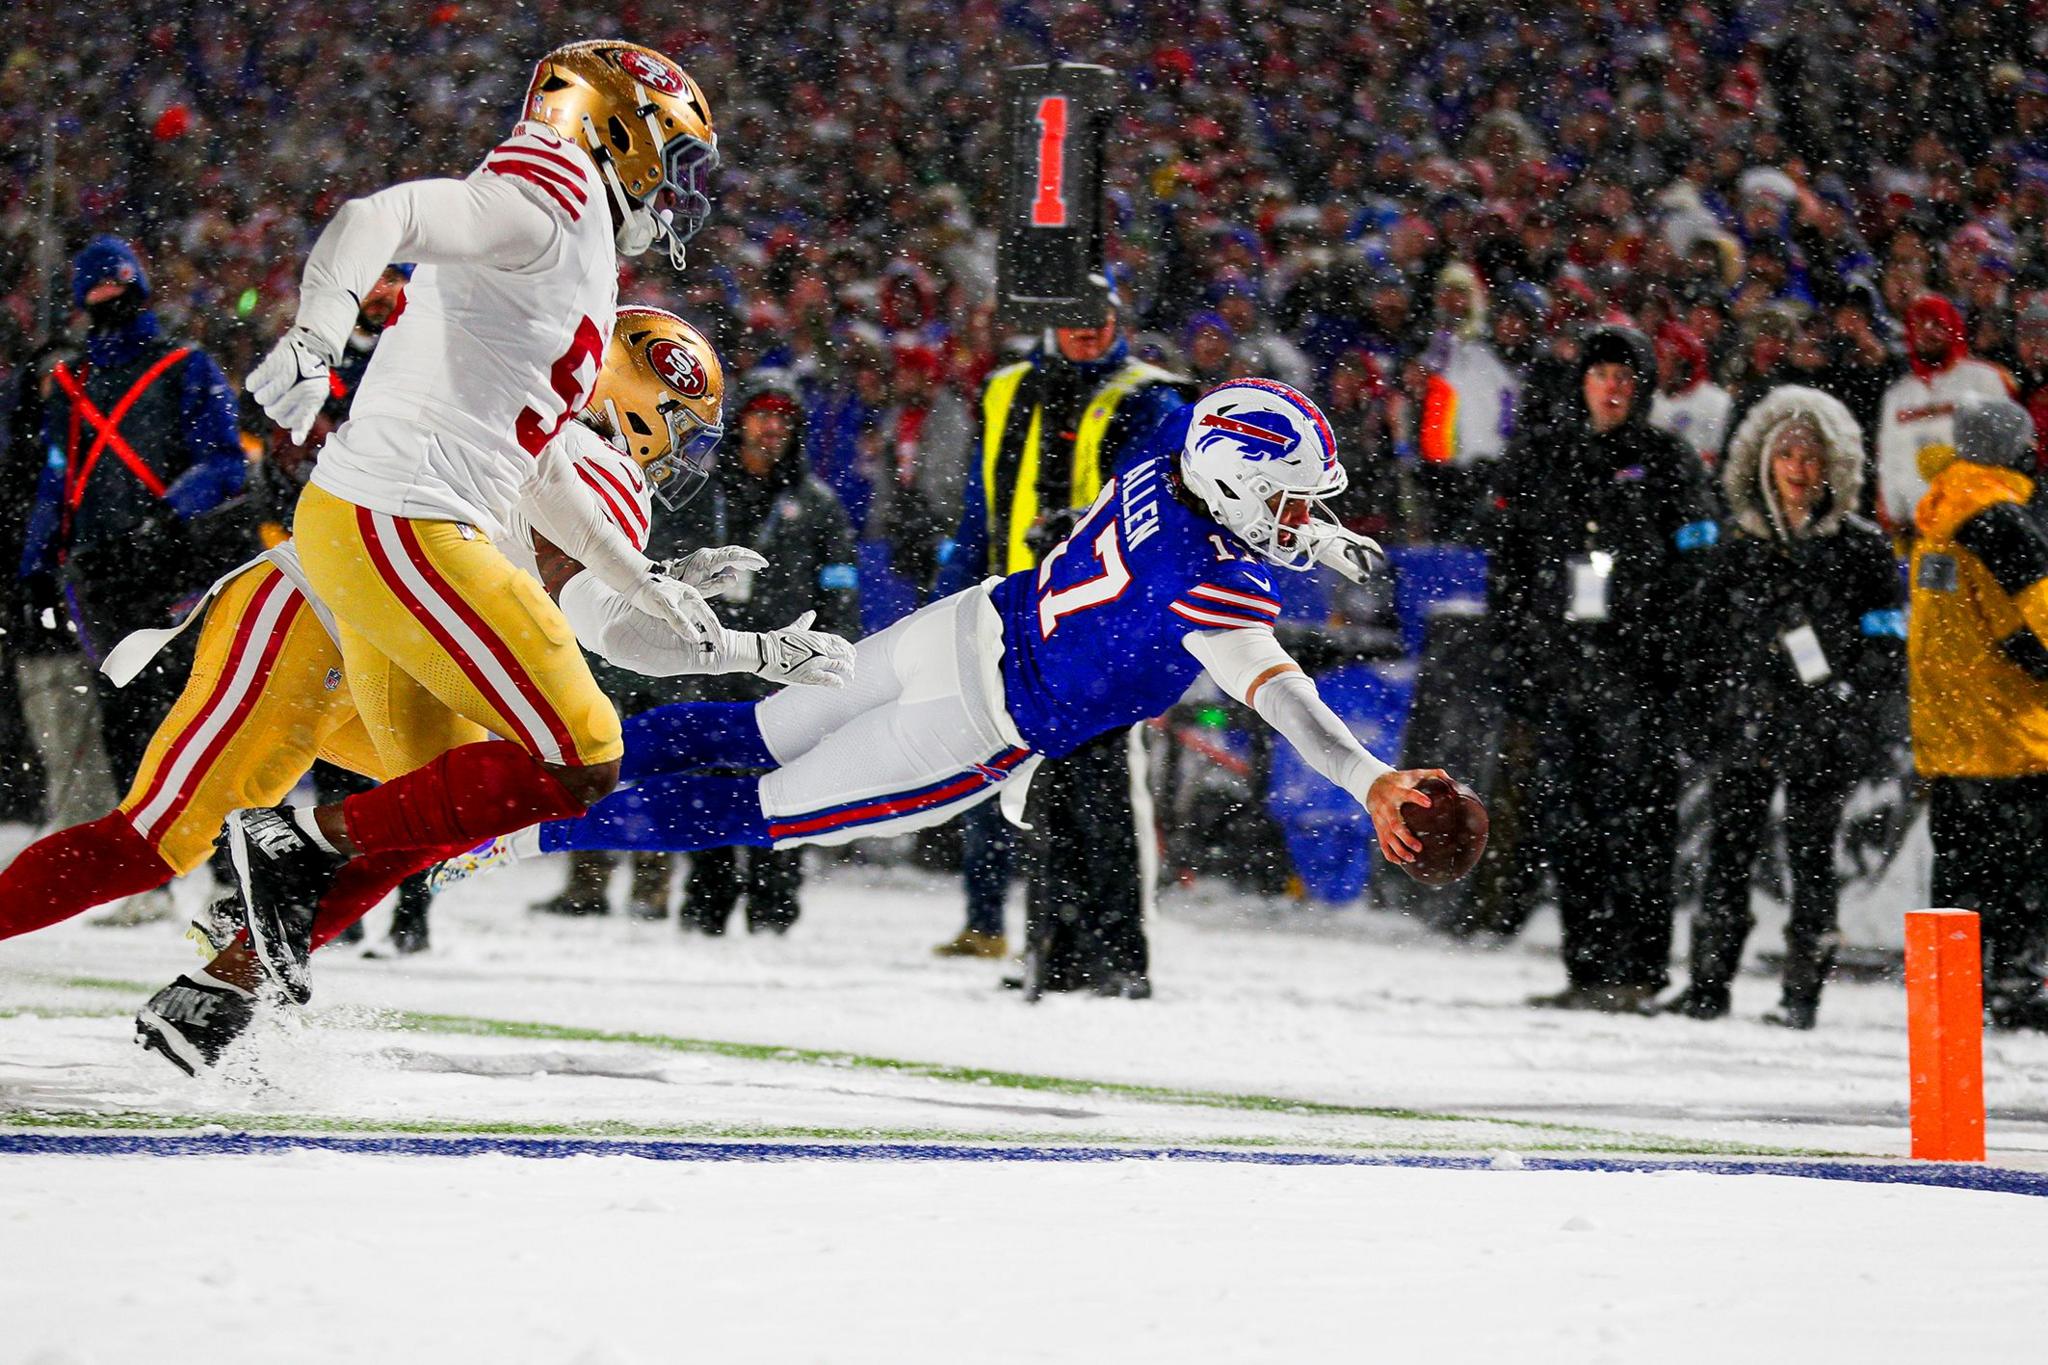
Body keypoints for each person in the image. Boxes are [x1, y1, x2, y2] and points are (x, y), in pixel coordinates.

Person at [436, 382, 1453, 958]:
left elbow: (1219, 497)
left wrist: (1312, 539)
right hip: (976, 724)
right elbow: (1288, 701)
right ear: (1233, 484)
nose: (1297, 520)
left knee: (742, 736)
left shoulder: (1161, 467)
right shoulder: (1206, 588)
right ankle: (512, 837)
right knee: (756, 810)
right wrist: (1370, 780)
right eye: (1287, 503)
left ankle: (530, 767)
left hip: (959, 627)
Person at [218, 41, 743, 1003]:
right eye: (671, 163)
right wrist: (313, 338)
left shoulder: (579, 253)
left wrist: (640, 578)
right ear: (615, 129)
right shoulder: (557, 189)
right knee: (587, 753)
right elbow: (382, 216)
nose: (676, 195)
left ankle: (223, 982)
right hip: (406, 516)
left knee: (437, 810)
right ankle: (284, 839)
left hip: (384, 517)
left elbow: (534, 458)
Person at [931, 269, 1192, 985]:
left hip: (1107, 625)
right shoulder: (1006, 387)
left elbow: (1161, 504)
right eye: (1072, 310)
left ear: (1119, 319)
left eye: (1099, 313)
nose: (1086, 326)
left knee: (1109, 795)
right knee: (1034, 788)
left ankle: (1124, 954)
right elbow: (979, 512)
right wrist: (950, 598)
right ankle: (1053, 946)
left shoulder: (1151, 398)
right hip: (1018, 620)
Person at [20, 237, 250, 925]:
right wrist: (39, 564)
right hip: (107, 575)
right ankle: (150, 880)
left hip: (174, 569)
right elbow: (59, 480)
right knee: (133, 726)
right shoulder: (77, 383)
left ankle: (218, 872)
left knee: (190, 721)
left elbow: (225, 465)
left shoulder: (184, 367)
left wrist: (163, 519)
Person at [1486, 326, 1717, 1012]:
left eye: (1625, 375)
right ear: (1582, 383)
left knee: (1641, 825)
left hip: (1638, 677)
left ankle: (1640, 969)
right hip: (1564, 674)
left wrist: (1666, 647)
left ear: (1643, 386)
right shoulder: (1547, 458)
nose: (1612, 387)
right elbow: (1513, 563)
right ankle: (1586, 969)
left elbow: (1700, 562)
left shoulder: (1670, 459)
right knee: (1567, 823)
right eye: (1600, 374)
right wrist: (1521, 650)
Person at [1666, 387, 1904, 1028]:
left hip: (1821, 732)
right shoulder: (1733, 548)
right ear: (1764, 462)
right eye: (1787, 454)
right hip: (1745, 726)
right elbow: (1701, 641)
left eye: (1811, 455)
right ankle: (1708, 990)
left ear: (1835, 465)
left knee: (1812, 859)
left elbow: (1887, 645)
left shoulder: (1861, 548)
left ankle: (1801, 998)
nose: (1799, 468)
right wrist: (1703, 712)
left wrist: (1852, 708)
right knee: (1728, 856)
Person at [672, 373, 859, 936]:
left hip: (785, 676)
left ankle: (775, 910)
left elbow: (840, 589)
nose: (772, 427)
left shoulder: (817, 505)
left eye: (784, 417)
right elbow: (663, 567)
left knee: (781, 793)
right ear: (741, 421)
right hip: (708, 666)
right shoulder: (699, 492)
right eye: (762, 414)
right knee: (706, 792)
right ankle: (705, 906)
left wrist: (834, 660)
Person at [1906, 394, 2048, 1032]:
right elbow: (2036, 623)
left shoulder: (1938, 515)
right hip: (2008, 734)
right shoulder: (2000, 521)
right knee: (2021, 878)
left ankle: (1949, 996)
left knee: (1959, 877)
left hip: (1948, 736)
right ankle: (2015, 984)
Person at [1875, 293, 2014, 529]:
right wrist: (1893, 513)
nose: (1928, 332)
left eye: (1937, 324)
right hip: (1916, 526)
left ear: (1953, 328)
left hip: (1974, 521)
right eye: (1919, 325)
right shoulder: (1896, 396)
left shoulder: (1985, 379)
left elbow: (2006, 446)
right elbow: (1889, 459)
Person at [1648, 321, 1733, 466]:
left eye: (1663, 358)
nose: (1657, 365)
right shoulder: (1648, 400)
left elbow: (1712, 461)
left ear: (1684, 364)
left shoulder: (1717, 403)